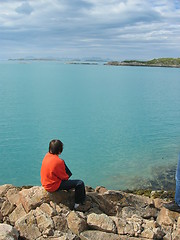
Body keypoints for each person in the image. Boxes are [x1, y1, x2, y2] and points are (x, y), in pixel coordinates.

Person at [41, 139, 86, 210]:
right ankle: (78, 204)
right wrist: (67, 176)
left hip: (45, 183)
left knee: (63, 165)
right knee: (80, 183)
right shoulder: (59, 161)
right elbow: (64, 178)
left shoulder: (46, 156)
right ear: (60, 150)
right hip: (52, 186)